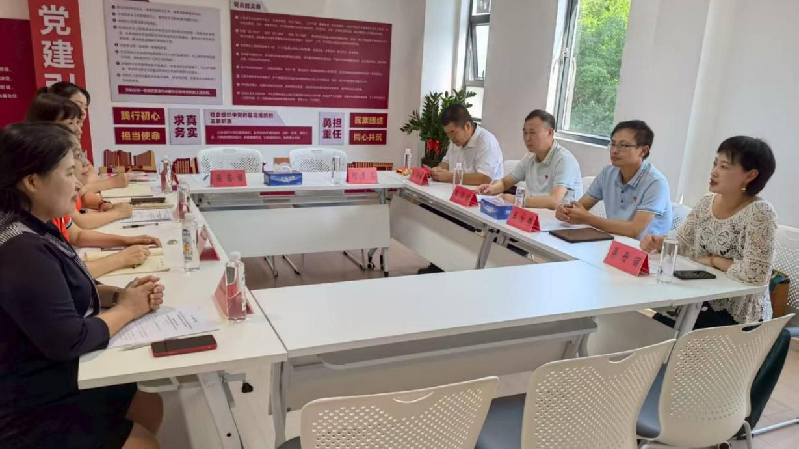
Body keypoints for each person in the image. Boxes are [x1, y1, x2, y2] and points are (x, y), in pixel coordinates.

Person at [0, 122, 164, 449]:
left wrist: (120, 294)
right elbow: (70, 340)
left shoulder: (35, 225)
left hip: (48, 373)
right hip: (27, 401)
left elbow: (62, 290)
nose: (78, 184)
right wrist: (128, 309)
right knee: (144, 443)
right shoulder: (22, 249)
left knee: (148, 404)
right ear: (32, 182)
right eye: (68, 173)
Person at [639, 136, 788, 431]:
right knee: (653, 332)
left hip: (736, 315)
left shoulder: (760, 213)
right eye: (715, 163)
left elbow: (756, 274)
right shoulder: (707, 202)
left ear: (750, 175)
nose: (714, 172)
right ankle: (653, 404)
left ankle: (694, 418)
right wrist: (660, 242)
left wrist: (713, 261)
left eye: (725, 166)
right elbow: (683, 243)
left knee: (678, 340)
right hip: (697, 298)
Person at [25, 93, 134, 228]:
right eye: (70, 123)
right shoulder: (44, 166)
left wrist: (102, 203)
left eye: (78, 122)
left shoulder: (70, 150)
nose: (78, 130)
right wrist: (118, 212)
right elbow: (79, 224)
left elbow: (85, 187)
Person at [556, 120, 672, 238]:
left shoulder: (656, 183)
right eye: (613, 144)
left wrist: (587, 218)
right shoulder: (607, 173)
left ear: (643, 151)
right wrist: (565, 211)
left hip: (641, 248)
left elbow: (634, 230)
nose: (615, 150)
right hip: (614, 242)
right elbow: (580, 206)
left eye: (624, 145)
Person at [476, 109, 583, 208]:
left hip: (560, 219)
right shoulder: (530, 157)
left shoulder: (564, 160)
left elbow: (554, 201)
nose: (527, 138)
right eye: (525, 133)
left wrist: (516, 200)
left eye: (532, 133)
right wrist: (492, 188)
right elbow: (505, 183)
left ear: (550, 133)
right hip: (536, 214)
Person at [39, 81, 130, 192]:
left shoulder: (74, 137)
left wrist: (89, 183)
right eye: (78, 105)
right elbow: (72, 190)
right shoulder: (47, 146)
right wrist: (111, 183)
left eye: (85, 107)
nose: (83, 112)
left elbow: (90, 173)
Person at [430, 104, 504, 185]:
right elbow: (446, 162)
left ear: (467, 126)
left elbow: (485, 178)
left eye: (453, 132)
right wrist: (438, 171)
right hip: (455, 189)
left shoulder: (486, 142)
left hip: (481, 192)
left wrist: (450, 177)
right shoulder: (455, 140)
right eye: (448, 133)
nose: (451, 138)